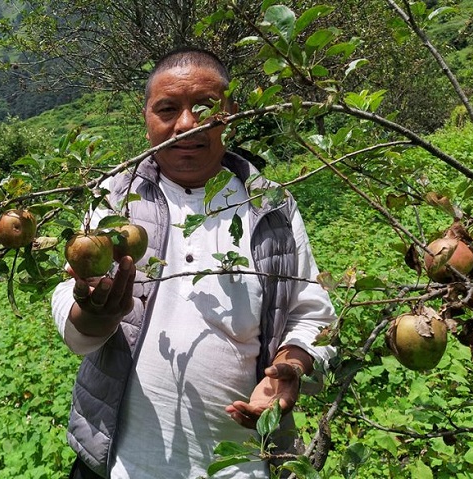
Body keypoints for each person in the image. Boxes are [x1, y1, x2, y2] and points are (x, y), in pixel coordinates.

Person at [51, 47, 336, 479]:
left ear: (232, 113)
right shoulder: (114, 197)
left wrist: (291, 365)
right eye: (168, 109)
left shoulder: (272, 205)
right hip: (116, 463)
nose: (186, 124)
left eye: (205, 107)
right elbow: (73, 299)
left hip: (240, 467)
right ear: (147, 119)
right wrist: (89, 313)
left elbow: (311, 312)